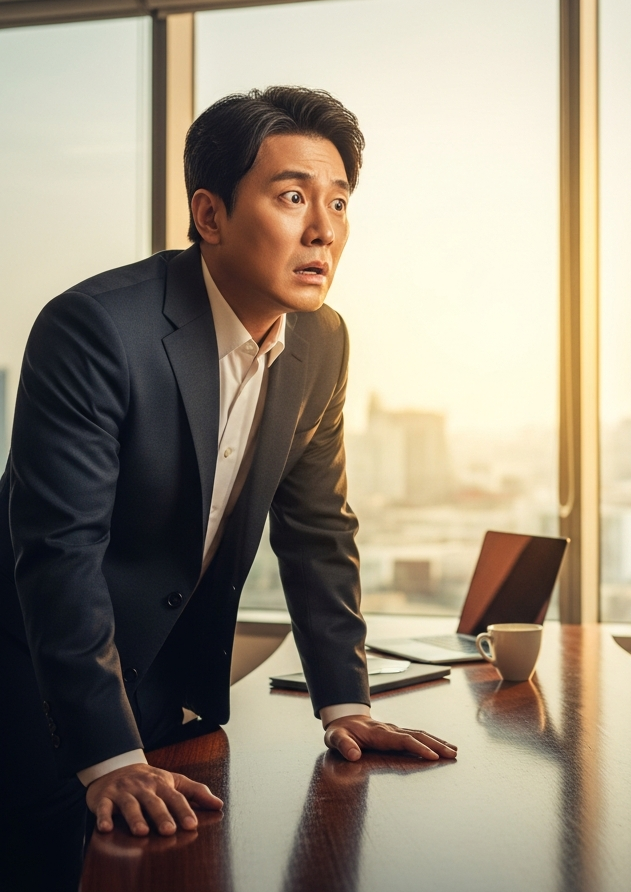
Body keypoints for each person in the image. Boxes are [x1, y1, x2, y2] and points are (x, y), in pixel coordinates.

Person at [0, 86, 456, 890]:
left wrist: (346, 705)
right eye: (292, 198)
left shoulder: (321, 338)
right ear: (209, 217)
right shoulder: (94, 329)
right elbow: (59, 557)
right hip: (38, 689)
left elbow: (317, 528)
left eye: (340, 202)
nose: (324, 230)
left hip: (177, 699)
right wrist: (107, 756)